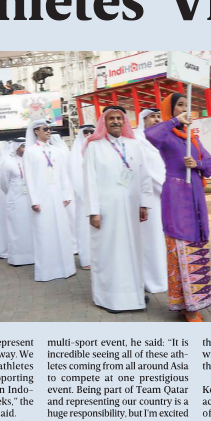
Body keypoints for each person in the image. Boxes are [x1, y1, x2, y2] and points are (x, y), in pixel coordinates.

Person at [143, 94, 211, 323]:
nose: (186, 109)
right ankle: (187, 307)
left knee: (197, 248)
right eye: (180, 106)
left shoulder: (192, 138)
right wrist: (176, 121)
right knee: (181, 248)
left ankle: (195, 301)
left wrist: (198, 164)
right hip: (177, 198)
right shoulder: (166, 135)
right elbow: (150, 135)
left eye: (187, 105)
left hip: (196, 198)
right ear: (171, 110)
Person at [81, 103, 151, 311]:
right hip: (106, 211)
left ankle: (134, 295)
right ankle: (109, 298)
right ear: (104, 122)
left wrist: (144, 204)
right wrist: (93, 211)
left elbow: (144, 175)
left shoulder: (134, 145)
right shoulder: (94, 146)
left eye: (119, 118)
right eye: (111, 118)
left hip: (130, 210)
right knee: (109, 252)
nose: (116, 122)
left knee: (133, 251)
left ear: (124, 121)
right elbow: (89, 181)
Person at [23, 121, 76, 281]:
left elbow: (63, 174)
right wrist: (34, 200)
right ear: (36, 131)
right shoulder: (31, 152)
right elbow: (29, 178)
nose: (48, 131)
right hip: (42, 198)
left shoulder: (56, 151)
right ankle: (47, 271)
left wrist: (67, 194)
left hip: (58, 196)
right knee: (44, 233)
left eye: (49, 129)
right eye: (45, 129)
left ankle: (66, 268)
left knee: (62, 232)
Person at [134, 106, 169, 295]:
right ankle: (152, 280)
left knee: (163, 239)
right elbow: (146, 171)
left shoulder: (162, 139)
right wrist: (167, 189)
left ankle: (164, 276)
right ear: (143, 121)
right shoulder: (139, 141)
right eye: (152, 117)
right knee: (151, 239)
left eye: (158, 116)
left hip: (166, 195)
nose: (156, 120)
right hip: (150, 198)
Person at [0, 141, 34, 265]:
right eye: (22, 146)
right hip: (15, 200)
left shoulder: (30, 161)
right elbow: (4, 184)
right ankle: (17, 258)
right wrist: (14, 194)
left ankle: (32, 256)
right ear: (16, 148)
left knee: (29, 229)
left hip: (29, 201)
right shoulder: (8, 163)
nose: (25, 148)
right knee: (16, 229)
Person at [68, 124, 96, 266]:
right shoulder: (76, 152)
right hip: (83, 197)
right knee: (84, 229)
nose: (89, 134)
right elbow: (75, 175)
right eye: (86, 132)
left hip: (97, 196)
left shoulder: (96, 147)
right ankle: (86, 259)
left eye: (92, 131)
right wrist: (86, 194)